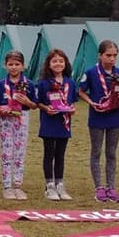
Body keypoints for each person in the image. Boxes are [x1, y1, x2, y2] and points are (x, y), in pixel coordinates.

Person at [79, 39, 119, 203]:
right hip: (97, 116)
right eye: (108, 55)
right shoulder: (91, 72)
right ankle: (99, 187)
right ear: (100, 55)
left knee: (111, 152)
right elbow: (81, 91)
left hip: (114, 117)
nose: (112, 59)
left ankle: (111, 187)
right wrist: (91, 102)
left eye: (114, 55)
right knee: (97, 151)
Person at [0, 50, 36, 200]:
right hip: (6, 120)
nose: (13, 67)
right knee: (6, 152)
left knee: (19, 152)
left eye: (17, 64)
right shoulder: (0, 85)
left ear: (23, 66)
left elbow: (34, 105)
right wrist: (0, 110)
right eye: (10, 64)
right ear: (5, 65)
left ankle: (17, 186)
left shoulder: (29, 84)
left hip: (22, 118)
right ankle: (7, 186)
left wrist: (27, 102)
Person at [36, 48, 78, 201]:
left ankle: (60, 184)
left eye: (61, 61)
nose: (58, 64)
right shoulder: (43, 83)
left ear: (66, 63)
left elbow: (73, 102)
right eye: (54, 61)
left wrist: (72, 109)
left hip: (64, 124)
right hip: (49, 122)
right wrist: (46, 108)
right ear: (48, 64)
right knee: (49, 154)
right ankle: (49, 186)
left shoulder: (70, 82)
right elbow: (38, 102)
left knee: (60, 154)